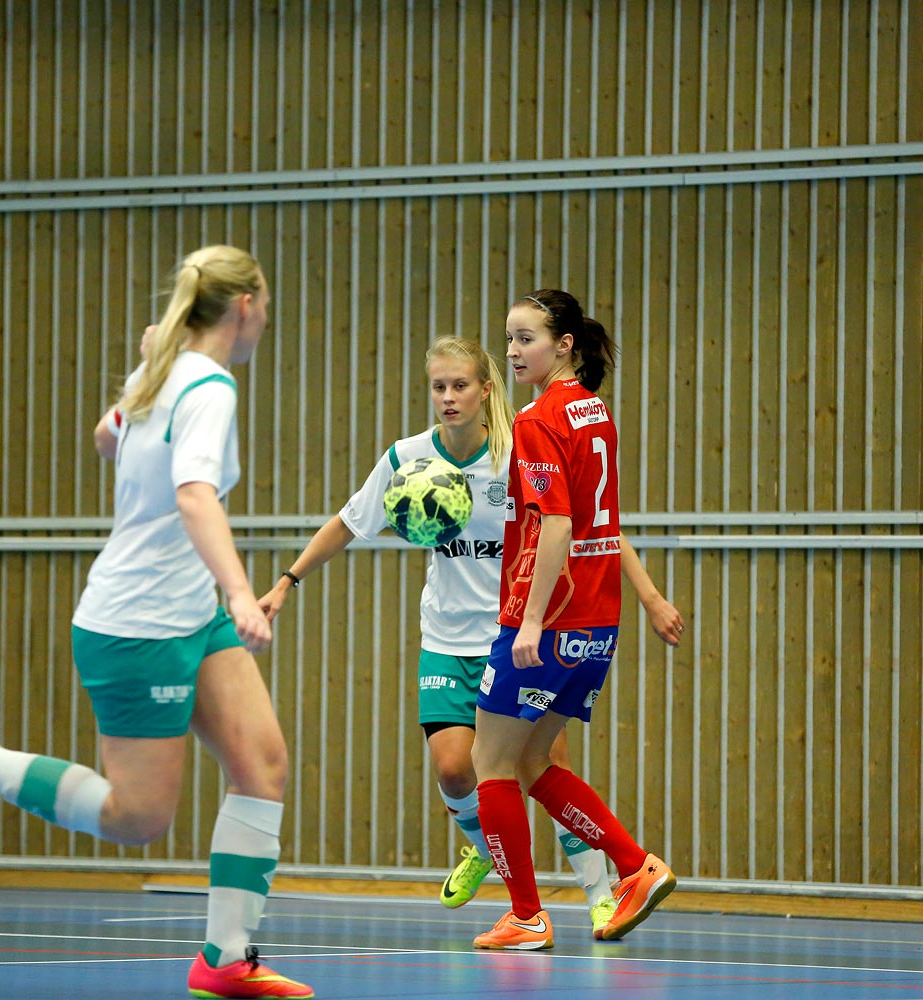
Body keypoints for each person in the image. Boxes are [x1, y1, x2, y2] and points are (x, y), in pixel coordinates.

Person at [0, 245, 312, 1000]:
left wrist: (147, 374)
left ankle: (224, 959)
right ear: (246, 306)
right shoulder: (209, 385)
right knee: (137, 818)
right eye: (267, 311)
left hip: (187, 611)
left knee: (263, 766)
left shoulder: (162, 372)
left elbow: (103, 439)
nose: (264, 325)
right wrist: (241, 593)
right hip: (140, 620)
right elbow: (195, 495)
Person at [259, 335, 683, 938]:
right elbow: (348, 521)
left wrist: (649, 595)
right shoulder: (409, 461)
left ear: (487, 390)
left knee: (533, 763)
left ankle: (595, 892)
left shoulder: (519, 452)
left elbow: (589, 526)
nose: (449, 397)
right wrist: (286, 583)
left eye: (460, 385)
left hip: (515, 632)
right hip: (445, 636)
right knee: (462, 770)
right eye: (439, 386)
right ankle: (497, 854)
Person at [470, 289, 676, 951]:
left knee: (491, 763)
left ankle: (527, 915)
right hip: (596, 622)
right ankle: (634, 866)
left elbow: (557, 523)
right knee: (531, 763)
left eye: (526, 337)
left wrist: (528, 623)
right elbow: (603, 523)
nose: (512, 350)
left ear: (564, 344)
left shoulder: (538, 420)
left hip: (549, 621)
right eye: (508, 338)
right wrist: (646, 598)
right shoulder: (596, 411)